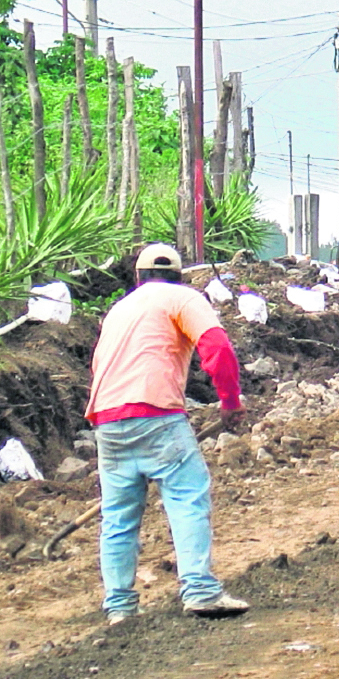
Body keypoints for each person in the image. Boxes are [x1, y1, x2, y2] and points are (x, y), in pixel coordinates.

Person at [86, 243, 249, 625]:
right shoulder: (183, 297)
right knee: (188, 495)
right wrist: (229, 401)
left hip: (107, 419)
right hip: (156, 412)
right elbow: (218, 347)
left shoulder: (120, 308)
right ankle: (200, 591)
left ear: (139, 277)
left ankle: (120, 606)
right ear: (180, 275)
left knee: (118, 516)